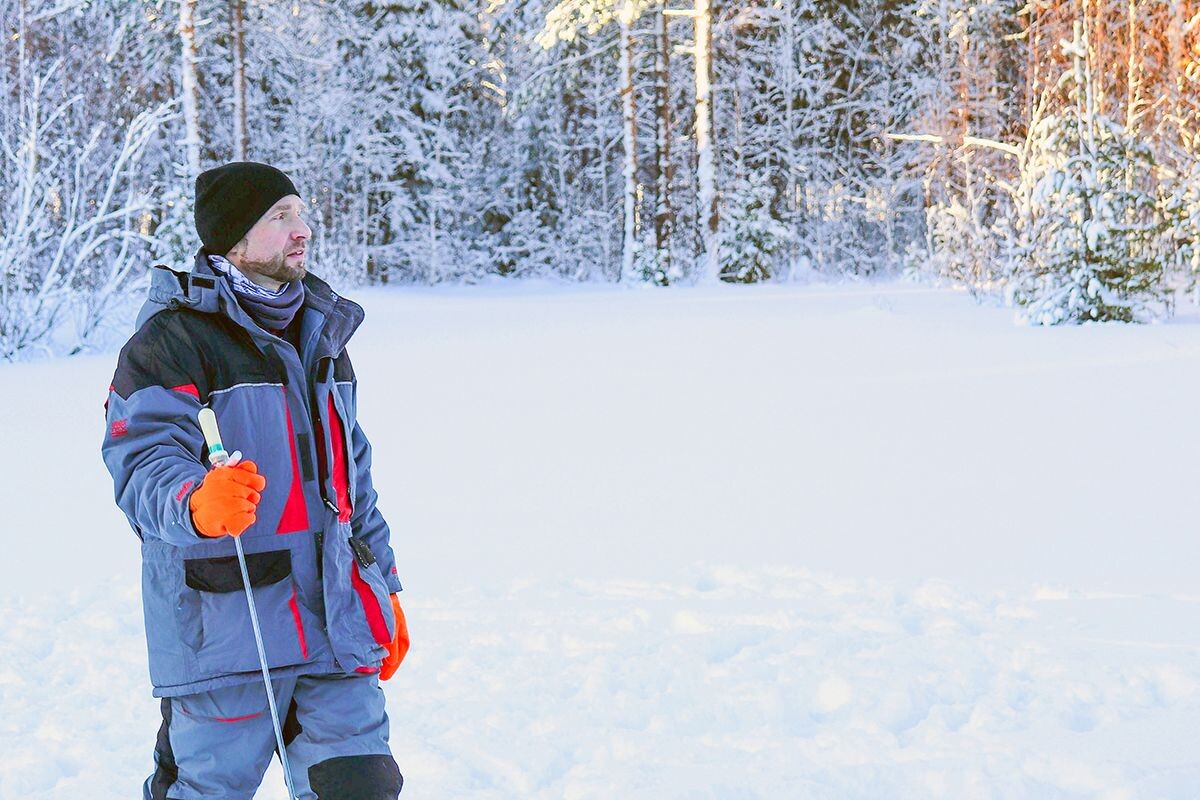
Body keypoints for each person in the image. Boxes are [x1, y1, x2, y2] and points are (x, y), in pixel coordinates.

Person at [101, 162, 408, 799]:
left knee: (363, 787)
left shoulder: (322, 333)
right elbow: (142, 460)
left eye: (300, 212)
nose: (304, 230)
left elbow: (355, 485)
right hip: (228, 629)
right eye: (280, 216)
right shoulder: (173, 339)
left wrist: (386, 588)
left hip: (335, 626)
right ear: (232, 239)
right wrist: (196, 501)